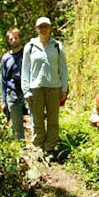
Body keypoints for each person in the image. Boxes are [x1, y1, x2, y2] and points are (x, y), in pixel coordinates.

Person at [21, 17, 68, 153]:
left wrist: (64, 88)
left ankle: (50, 147)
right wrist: (26, 90)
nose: (43, 29)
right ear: (36, 29)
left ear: (50, 28)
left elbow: (63, 69)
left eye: (46, 26)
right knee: (37, 120)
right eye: (41, 27)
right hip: (35, 89)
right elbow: (25, 70)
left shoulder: (57, 46)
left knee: (53, 120)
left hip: (54, 88)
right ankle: (37, 147)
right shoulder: (29, 47)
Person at [0, 28, 27, 140]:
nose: (14, 41)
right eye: (11, 39)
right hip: (12, 94)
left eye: (16, 38)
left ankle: (37, 150)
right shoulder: (6, 58)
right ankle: (21, 151)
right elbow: (3, 80)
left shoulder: (27, 53)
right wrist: (3, 100)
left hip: (28, 93)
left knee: (36, 122)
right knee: (17, 126)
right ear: (8, 41)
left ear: (20, 38)